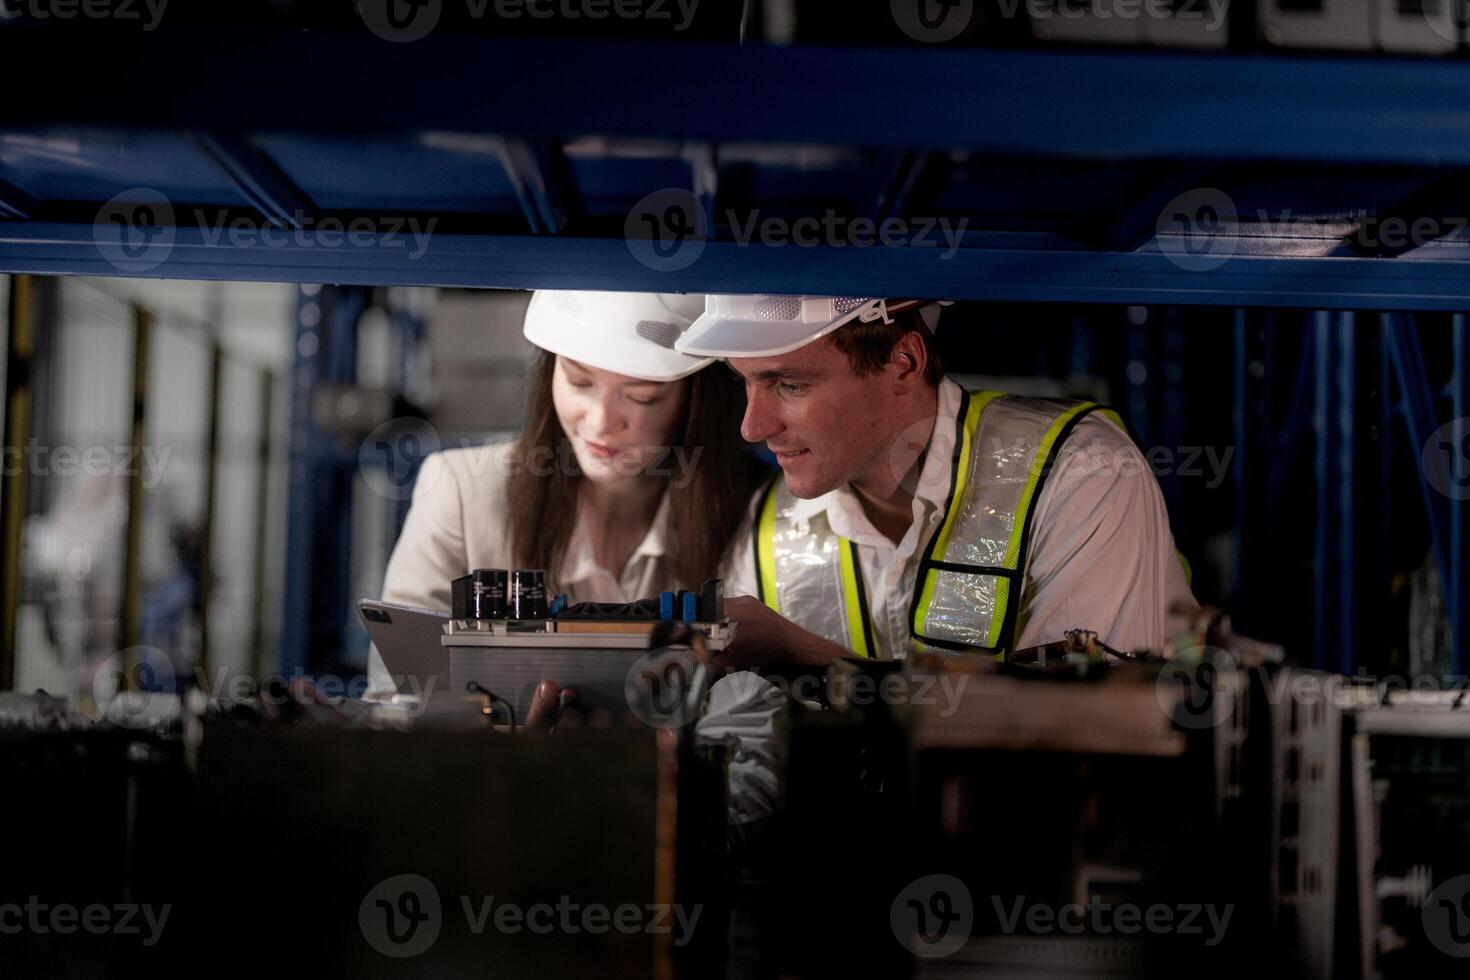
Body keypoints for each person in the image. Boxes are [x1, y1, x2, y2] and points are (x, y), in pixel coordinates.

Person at [675, 294, 1199, 668]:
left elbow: (1073, 751)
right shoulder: (772, 526)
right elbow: (747, 775)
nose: (753, 426)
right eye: (746, 383)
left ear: (904, 362)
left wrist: (808, 659)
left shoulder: (1082, 472)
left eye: (789, 384)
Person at [366, 290, 766, 703]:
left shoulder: (750, 509)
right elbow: (396, 699)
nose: (601, 420)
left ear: (695, 398)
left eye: (640, 396)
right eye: (579, 381)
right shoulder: (459, 492)